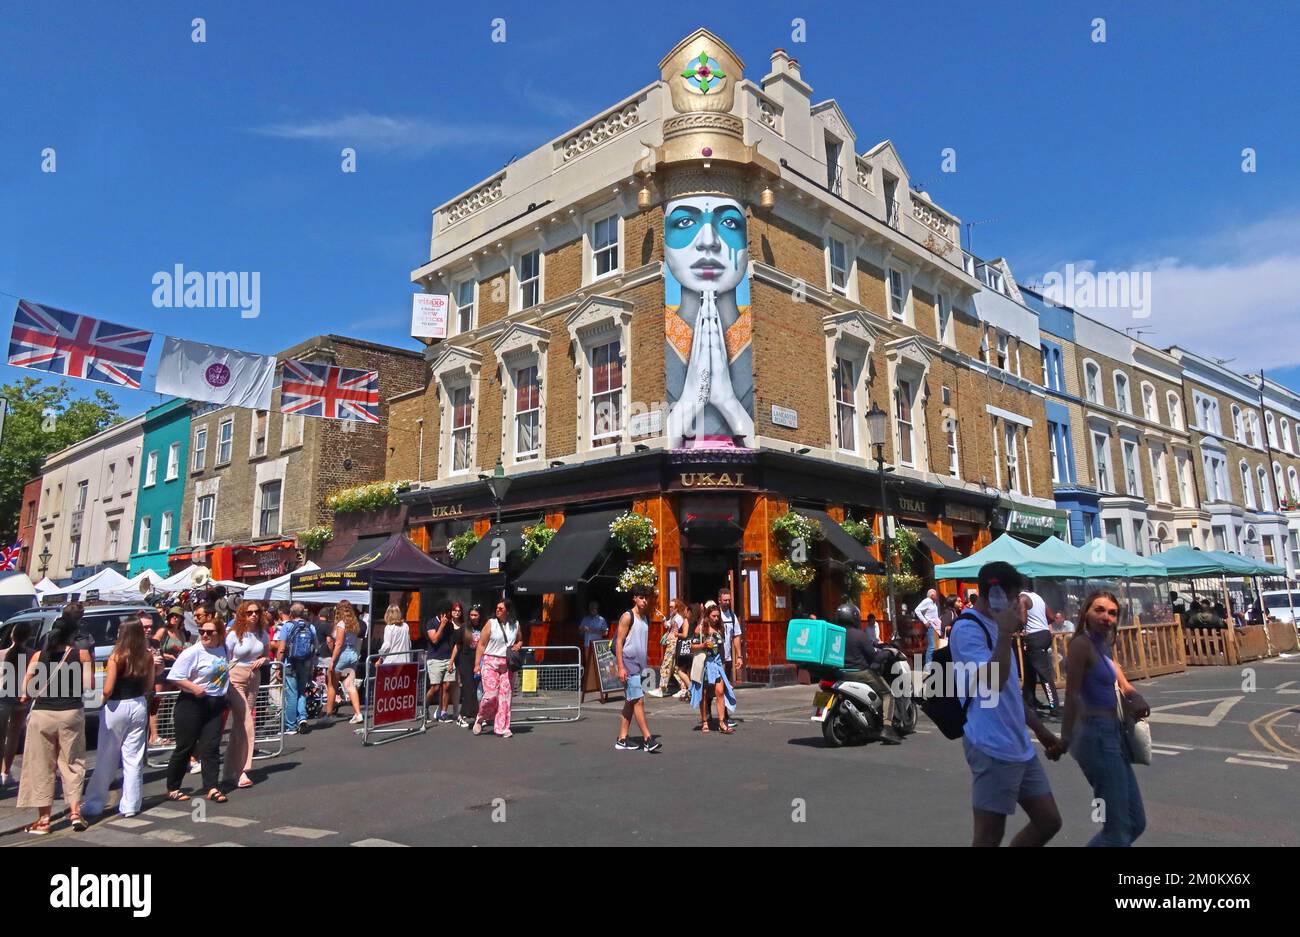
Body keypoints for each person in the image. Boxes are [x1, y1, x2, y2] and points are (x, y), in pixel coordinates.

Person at [949, 562, 1063, 847]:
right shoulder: (967, 629)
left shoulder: (999, 628)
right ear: (997, 595)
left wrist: (1041, 731)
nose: (1019, 608)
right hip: (991, 745)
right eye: (1015, 601)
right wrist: (1003, 634)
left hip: (1018, 743)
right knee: (988, 837)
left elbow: (1010, 692)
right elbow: (992, 683)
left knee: (1048, 820)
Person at [1058, 590, 1149, 846]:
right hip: (1096, 737)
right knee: (1118, 830)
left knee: (1135, 822)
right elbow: (1073, 695)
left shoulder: (1102, 644)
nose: (1106, 617)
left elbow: (1114, 668)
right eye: (1099, 610)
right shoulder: (1081, 645)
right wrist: (1064, 739)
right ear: (1085, 612)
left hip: (1114, 734)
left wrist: (1131, 693)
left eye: (1112, 613)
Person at [16, 604, 95, 833]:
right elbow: (89, 685)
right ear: (72, 635)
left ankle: (43, 821)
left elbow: (25, 690)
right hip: (71, 711)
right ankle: (75, 812)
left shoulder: (39, 656)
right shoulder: (80, 654)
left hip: (42, 714)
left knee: (41, 765)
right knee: (72, 763)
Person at [83, 618, 154, 819]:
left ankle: (95, 803)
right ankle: (131, 804)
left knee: (107, 755)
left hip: (116, 705)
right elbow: (149, 686)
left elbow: (108, 688)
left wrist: (99, 701)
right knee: (133, 757)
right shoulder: (147, 656)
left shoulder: (117, 656)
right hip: (138, 703)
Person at [165, 606, 231, 802]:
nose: (205, 635)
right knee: (185, 747)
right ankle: (173, 787)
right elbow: (175, 676)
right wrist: (194, 688)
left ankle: (211, 786)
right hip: (192, 703)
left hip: (215, 703)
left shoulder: (223, 648)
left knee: (211, 747)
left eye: (210, 632)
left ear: (219, 634)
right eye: (202, 631)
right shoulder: (192, 652)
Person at [838, 599, 900, 744]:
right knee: (887, 694)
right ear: (854, 617)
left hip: (840, 673)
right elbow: (875, 656)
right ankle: (887, 727)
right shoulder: (860, 635)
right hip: (859, 673)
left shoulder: (836, 635)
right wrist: (889, 652)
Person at [224, 601, 269, 789]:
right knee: (246, 722)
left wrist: (264, 659)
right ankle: (243, 771)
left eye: (256, 612)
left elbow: (266, 654)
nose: (253, 615)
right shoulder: (234, 634)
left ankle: (228, 769)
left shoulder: (262, 634)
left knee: (239, 727)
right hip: (235, 676)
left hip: (254, 677)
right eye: (249, 612)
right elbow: (224, 659)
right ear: (242, 614)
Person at [614, 585, 662, 750]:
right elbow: (619, 642)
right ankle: (648, 739)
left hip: (640, 666)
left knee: (631, 701)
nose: (644, 600)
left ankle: (622, 739)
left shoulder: (645, 618)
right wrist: (621, 667)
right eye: (641, 597)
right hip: (628, 664)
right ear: (634, 598)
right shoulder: (628, 617)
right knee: (639, 701)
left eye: (646, 598)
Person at [474, 600, 523, 738]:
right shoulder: (491, 623)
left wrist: (518, 645)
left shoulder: (515, 624)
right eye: (497, 608)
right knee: (491, 696)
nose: (498, 610)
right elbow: (481, 644)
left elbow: (520, 639)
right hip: (490, 661)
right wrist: (477, 664)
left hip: (508, 663)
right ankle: (481, 717)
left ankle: (503, 727)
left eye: (501, 608)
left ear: (508, 610)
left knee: (505, 697)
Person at [689, 601, 736, 736]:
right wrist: (703, 645)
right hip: (704, 664)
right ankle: (704, 721)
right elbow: (692, 647)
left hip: (716, 664)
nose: (716, 619)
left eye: (717, 616)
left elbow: (722, 647)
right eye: (714, 616)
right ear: (708, 616)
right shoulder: (701, 629)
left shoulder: (721, 629)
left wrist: (724, 663)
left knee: (720, 692)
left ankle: (722, 722)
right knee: (703, 693)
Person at [0, 621, 36, 789]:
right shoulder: (32, 654)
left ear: (12, 635)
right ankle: (5, 772)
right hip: (21, 699)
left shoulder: (1, 654)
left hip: (2, 699)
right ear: (29, 637)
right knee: (13, 735)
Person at [1020, 589, 1061, 719]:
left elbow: (1023, 620)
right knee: (1029, 671)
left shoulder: (1022, 598)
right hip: (1044, 633)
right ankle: (1029, 703)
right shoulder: (1038, 597)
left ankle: (1054, 706)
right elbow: (1051, 617)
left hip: (1033, 636)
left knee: (1043, 673)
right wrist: (1041, 623)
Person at [279, 602, 316, 735]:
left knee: (291, 693)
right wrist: (312, 666)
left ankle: (290, 725)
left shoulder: (287, 626)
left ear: (291, 613)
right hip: (305, 663)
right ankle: (302, 718)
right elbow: (313, 648)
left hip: (290, 663)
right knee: (301, 691)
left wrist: (278, 665)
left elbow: (282, 648)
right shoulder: (311, 627)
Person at [328, 599, 364, 724]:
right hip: (353, 655)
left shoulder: (341, 624)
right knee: (350, 685)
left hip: (342, 655)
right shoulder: (354, 623)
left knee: (332, 685)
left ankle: (328, 714)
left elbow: (338, 644)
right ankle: (358, 713)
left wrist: (332, 661)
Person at [424, 604, 459, 723]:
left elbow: (453, 642)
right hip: (435, 659)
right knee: (435, 687)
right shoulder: (431, 623)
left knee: (447, 686)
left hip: (448, 658)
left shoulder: (450, 624)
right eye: (448, 612)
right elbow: (434, 639)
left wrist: (452, 660)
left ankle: (443, 712)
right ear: (442, 613)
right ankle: (425, 707)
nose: (450, 615)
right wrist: (442, 625)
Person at [456, 605, 486, 728]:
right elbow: (457, 645)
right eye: (471, 615)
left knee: (475, 688)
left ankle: (468, 715)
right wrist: (452, 660)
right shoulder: (464, 628)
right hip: (465, 659)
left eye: (475, 615)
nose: (473, 617)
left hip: (478, 659)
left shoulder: (484, 628)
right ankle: (469, 715)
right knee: (469, 688)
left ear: (480, 616)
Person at [717, 588, 743, 692]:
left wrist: (739, 656)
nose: (727, 603)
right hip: (716, 658)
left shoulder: (732, 616)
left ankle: (724, 707)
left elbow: (736, 636)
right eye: (725, 600)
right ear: (719, 600)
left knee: (725, 689)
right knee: (719, 689)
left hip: (727, 658)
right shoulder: (715, 615)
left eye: (729, 600)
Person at [916, 588, 943, 665]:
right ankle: (928, 665)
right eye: (936, 595)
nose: (937, 596)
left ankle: (933, 664)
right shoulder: (927, 601)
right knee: (932, 646)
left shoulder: (932, 602)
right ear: (932, 595)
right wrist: (925, 621)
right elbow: (917, 610)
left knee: (935, 645)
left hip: (935, 625)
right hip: (931, 625)